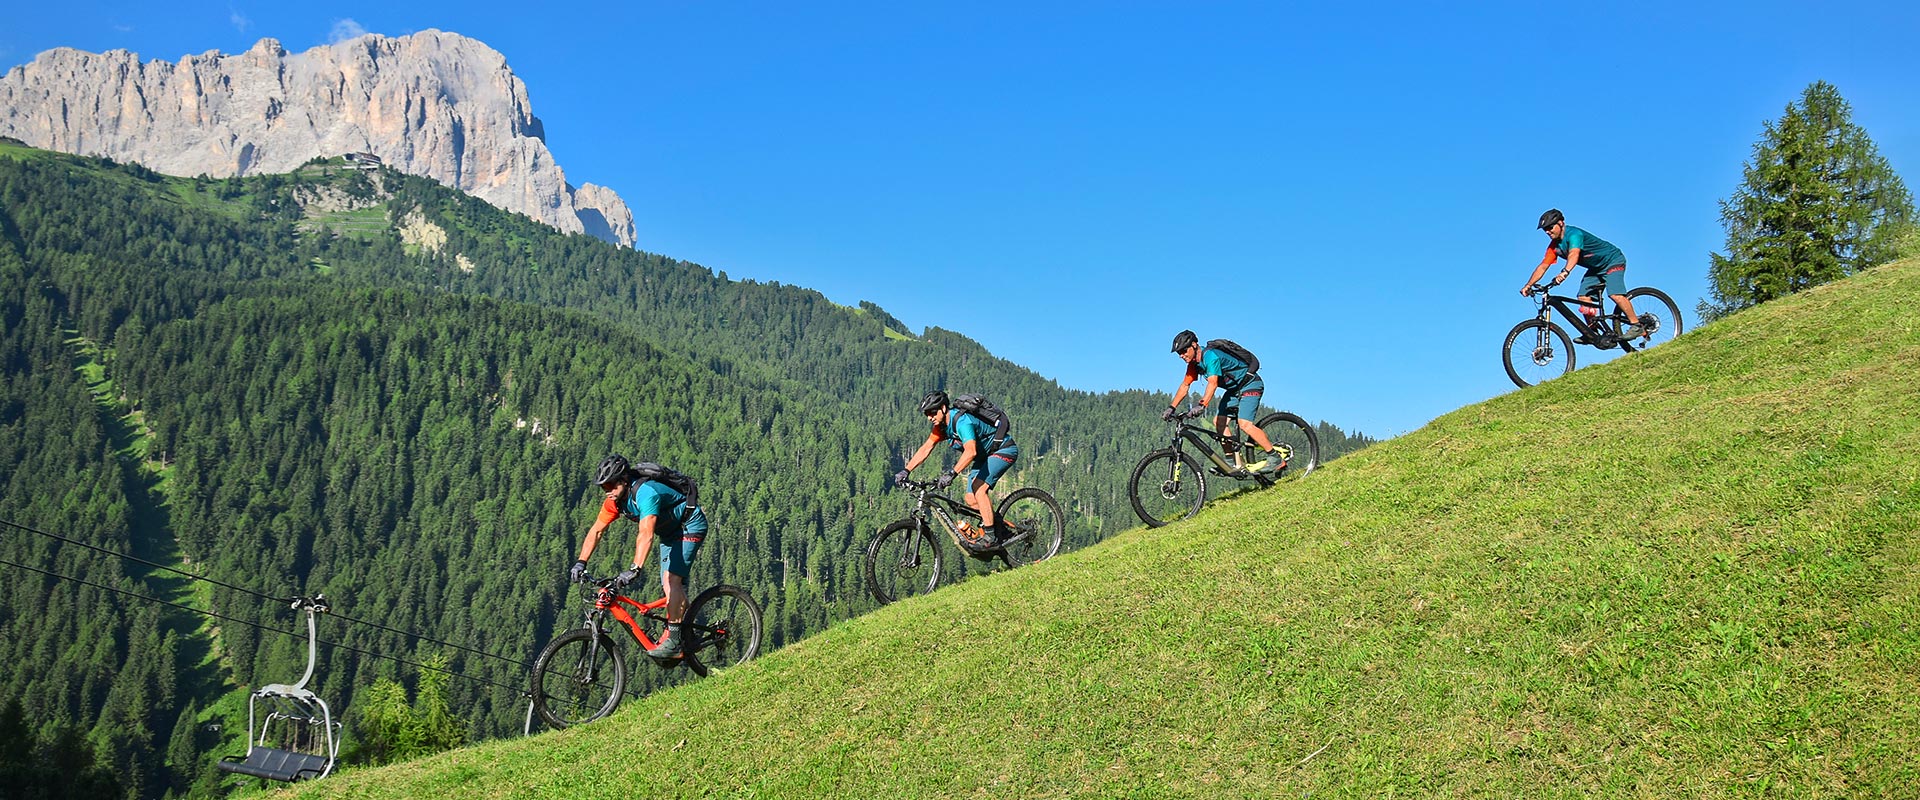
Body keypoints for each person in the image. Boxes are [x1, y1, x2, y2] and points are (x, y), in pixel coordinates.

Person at [568, 455, 708, 659]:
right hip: (669, 533)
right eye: (603, 487)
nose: (607, 491)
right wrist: (581, 562)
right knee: (669, 587)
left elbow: (646, 532)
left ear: (624, 480)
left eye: (610, 485)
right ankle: (686, 633)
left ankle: (675, 642)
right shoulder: (614, 501)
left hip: (689, 525)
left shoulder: (646, 494)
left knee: (672, 581)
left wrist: (635, 568)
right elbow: (597, 531)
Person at [893, 391, 1020, 547]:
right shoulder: (940, 427)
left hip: (1003, 450)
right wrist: (906, 470)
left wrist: (952, 474)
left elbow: (971, 451)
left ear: (944, 408)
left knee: (979, 489)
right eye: (927, 413)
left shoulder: (962, 422)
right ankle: (1002, 530)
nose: (929, 417)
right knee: (971, 499)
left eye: (932, 412)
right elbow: (926, 448)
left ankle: (990, 537)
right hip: (984, 457)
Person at [1166, 331, 1288, 474]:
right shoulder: (1194, 364)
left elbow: (1213, 383)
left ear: (1194, 345)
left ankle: (1275, 458)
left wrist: (1202, 405)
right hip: (1234, 390)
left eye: (1183, 350)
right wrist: (1171, 407)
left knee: (1245, 424)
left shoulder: (1211, 357)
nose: (1181, 355)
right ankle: (1232, 463)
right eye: (1179, 353)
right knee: (1219, 422)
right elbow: (1185, 386)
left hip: (1250, 384)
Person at [1522, 208, 1646, 341]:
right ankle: (1592, 332)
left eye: (1550, 227)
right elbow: (1543, 266)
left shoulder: (1574, 234)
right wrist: (1529, 285)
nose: (1547, 231)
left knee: (1615, 294)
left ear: (1561, 223)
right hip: (1596, 268)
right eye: (1544, 229)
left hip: (1612, 260)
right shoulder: (1554, 246)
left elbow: (1574, 254)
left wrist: (1565, 272)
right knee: (1583, 297)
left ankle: (1636, 325)